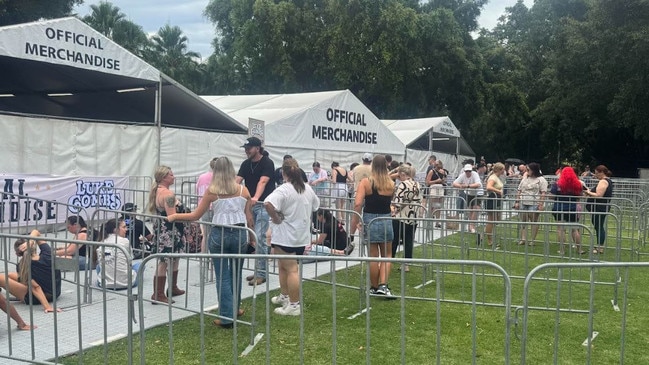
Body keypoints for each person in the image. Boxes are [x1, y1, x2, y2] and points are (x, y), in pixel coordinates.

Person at [168, 156, 255, 328]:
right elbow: (249, 218)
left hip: (219, 234)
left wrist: (175, 216)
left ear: (215, 171)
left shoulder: (212, 191)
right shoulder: (243, 191)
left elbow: (195, 216)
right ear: (232, 170)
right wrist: (252, 239)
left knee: (222, 276)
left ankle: (226, 317)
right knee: (236, 273)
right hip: (240, 234)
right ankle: (235, 309)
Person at [265, 158, 320, 316]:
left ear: (283, 173)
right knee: (283, 266)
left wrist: (275, 218)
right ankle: (285, 295)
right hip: (299, 236)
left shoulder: (284, 189)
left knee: (291, 269)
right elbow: (316, 205)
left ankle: (294, 305)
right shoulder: (307, 189)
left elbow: (268, 203)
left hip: (286, 236)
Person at [350, 155, 395, 297]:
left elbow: (358, 203)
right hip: (386, 219)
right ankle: (383, 285)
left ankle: (374, 287)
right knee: (387, 255)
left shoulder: (366, 182)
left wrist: (356, 220)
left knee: (373, 256)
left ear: (373, 166)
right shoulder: (391, 183)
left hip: (370, 220)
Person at [237, 136, 275, 286]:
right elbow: (237, 180)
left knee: (259, 237)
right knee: (254, 239)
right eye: (245, 148)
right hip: (250, 205)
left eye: (249, 148)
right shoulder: (245, 164)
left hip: (263, 204)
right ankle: (259, 269)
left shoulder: (267, 162)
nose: (246, 151)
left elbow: (263, 181)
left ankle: (261, 273)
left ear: (257, 148)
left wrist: (256, 197)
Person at [147, 165, 186, 304]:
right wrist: (189, 216)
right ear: (164, 177)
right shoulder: (168, 195)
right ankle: (158, 293)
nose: (173, 176)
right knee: (164, 261)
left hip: (165, 230)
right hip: (169, 231)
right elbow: (172, 215)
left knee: (173, 259)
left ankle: (173, 287)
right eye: (171, 174)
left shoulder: (157, 191)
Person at [0, 230, 62, 313]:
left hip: (38, 297)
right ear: (33, 247)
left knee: (1, 277)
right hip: (55, 293)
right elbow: (36, 232)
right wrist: (30, 241)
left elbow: (35, 287)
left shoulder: (21, 266)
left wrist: (47, 307)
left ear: (17, 254)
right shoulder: (48, 253)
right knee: (10, 275)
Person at [391, 165, 421, 272]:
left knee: (394, 239)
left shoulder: (403, 185)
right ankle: (406, 264)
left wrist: (394, 211)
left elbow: (398, 202)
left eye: (400, 176)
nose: (399, 178)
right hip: (413, 216)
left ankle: (389, 260)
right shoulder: (417, 184)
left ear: (403, 174)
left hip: (402, 217)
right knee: (408, 241)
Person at [550, 167, 585, 255]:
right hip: (572, 209)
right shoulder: (578, 184)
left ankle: (562, 250)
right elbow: (581, 196)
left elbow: (551, 196)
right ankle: (579, 249)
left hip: (559, 208)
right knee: (574, 230)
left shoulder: (557, 184)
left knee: (561, 230)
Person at [96, 218, 139, 290]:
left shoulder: (101, 241)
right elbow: (130, 259)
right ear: (115, 230)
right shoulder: (125, 241)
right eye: (124, 227)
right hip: (126, 283)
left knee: (99, 266)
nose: (126, 229)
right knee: (140, 265)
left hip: (104, 284)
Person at [514, 163, 548, 246]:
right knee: (523, 221)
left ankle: (532, 240)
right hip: (524, 202)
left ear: (534, 170)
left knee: (534, 222)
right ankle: (523, 239)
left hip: (534, 203)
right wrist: (517, 201)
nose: (526, 171)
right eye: (526, 169)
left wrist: (541, 204)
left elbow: (543, 193)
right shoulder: (525, 179)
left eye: (528, 170)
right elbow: (519, 190)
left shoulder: (541, 180)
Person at [584, 165, 613, 254]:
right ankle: (599, 246)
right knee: (598, 226)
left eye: (597, 173)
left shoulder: (603, 181)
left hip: (600, 207)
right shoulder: (605, 181)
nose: (595, 175)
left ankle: (600, 247)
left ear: (602, 172)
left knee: (599, 226)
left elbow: (599, 195)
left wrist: (588, 192)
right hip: (600, 207)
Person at [452, 164, 484, 233]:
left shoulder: (475, 174)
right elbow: (454, 183)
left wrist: (468, 186)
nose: (468, 173)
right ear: (464, 171)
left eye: (469, 171)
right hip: (469, 193)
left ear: (471, 171)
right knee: (470, 209)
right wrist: (460, 186)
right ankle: (471, 226)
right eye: (466, 171)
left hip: (477, 193)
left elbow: (478, 184)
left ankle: (471, 225)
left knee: (476, 208)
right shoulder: (463, 175)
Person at [196, 158, 218, 253]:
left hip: (203, 207)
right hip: (214, 207)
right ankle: (214, 257)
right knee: (215, 234)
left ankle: (203, 256)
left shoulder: (202, 177)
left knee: (205, 234)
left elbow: (197, 189)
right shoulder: (218, 178)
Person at [483, 163, 505, 247]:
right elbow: (488, 187)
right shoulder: (493, 177)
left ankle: (485, 234)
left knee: (496, 219)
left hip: (496, 199)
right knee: (491, 220)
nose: (504, 170)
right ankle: (489, 239)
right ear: (499, 170)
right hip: (492, 199)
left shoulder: (497, 177)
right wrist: (499, 191)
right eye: (503, 169)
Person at [426, 159, 446, 225]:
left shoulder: (442, 171)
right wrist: (436, 181)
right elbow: (427, 182)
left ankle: (437, 222)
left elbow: (443, 180)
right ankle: (430, 219)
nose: (438, 167)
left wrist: (443, 180)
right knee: (432, 205)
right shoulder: (431, 171)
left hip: (440, 188)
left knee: (439, 206)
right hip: (433, 188)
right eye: (437, 165)